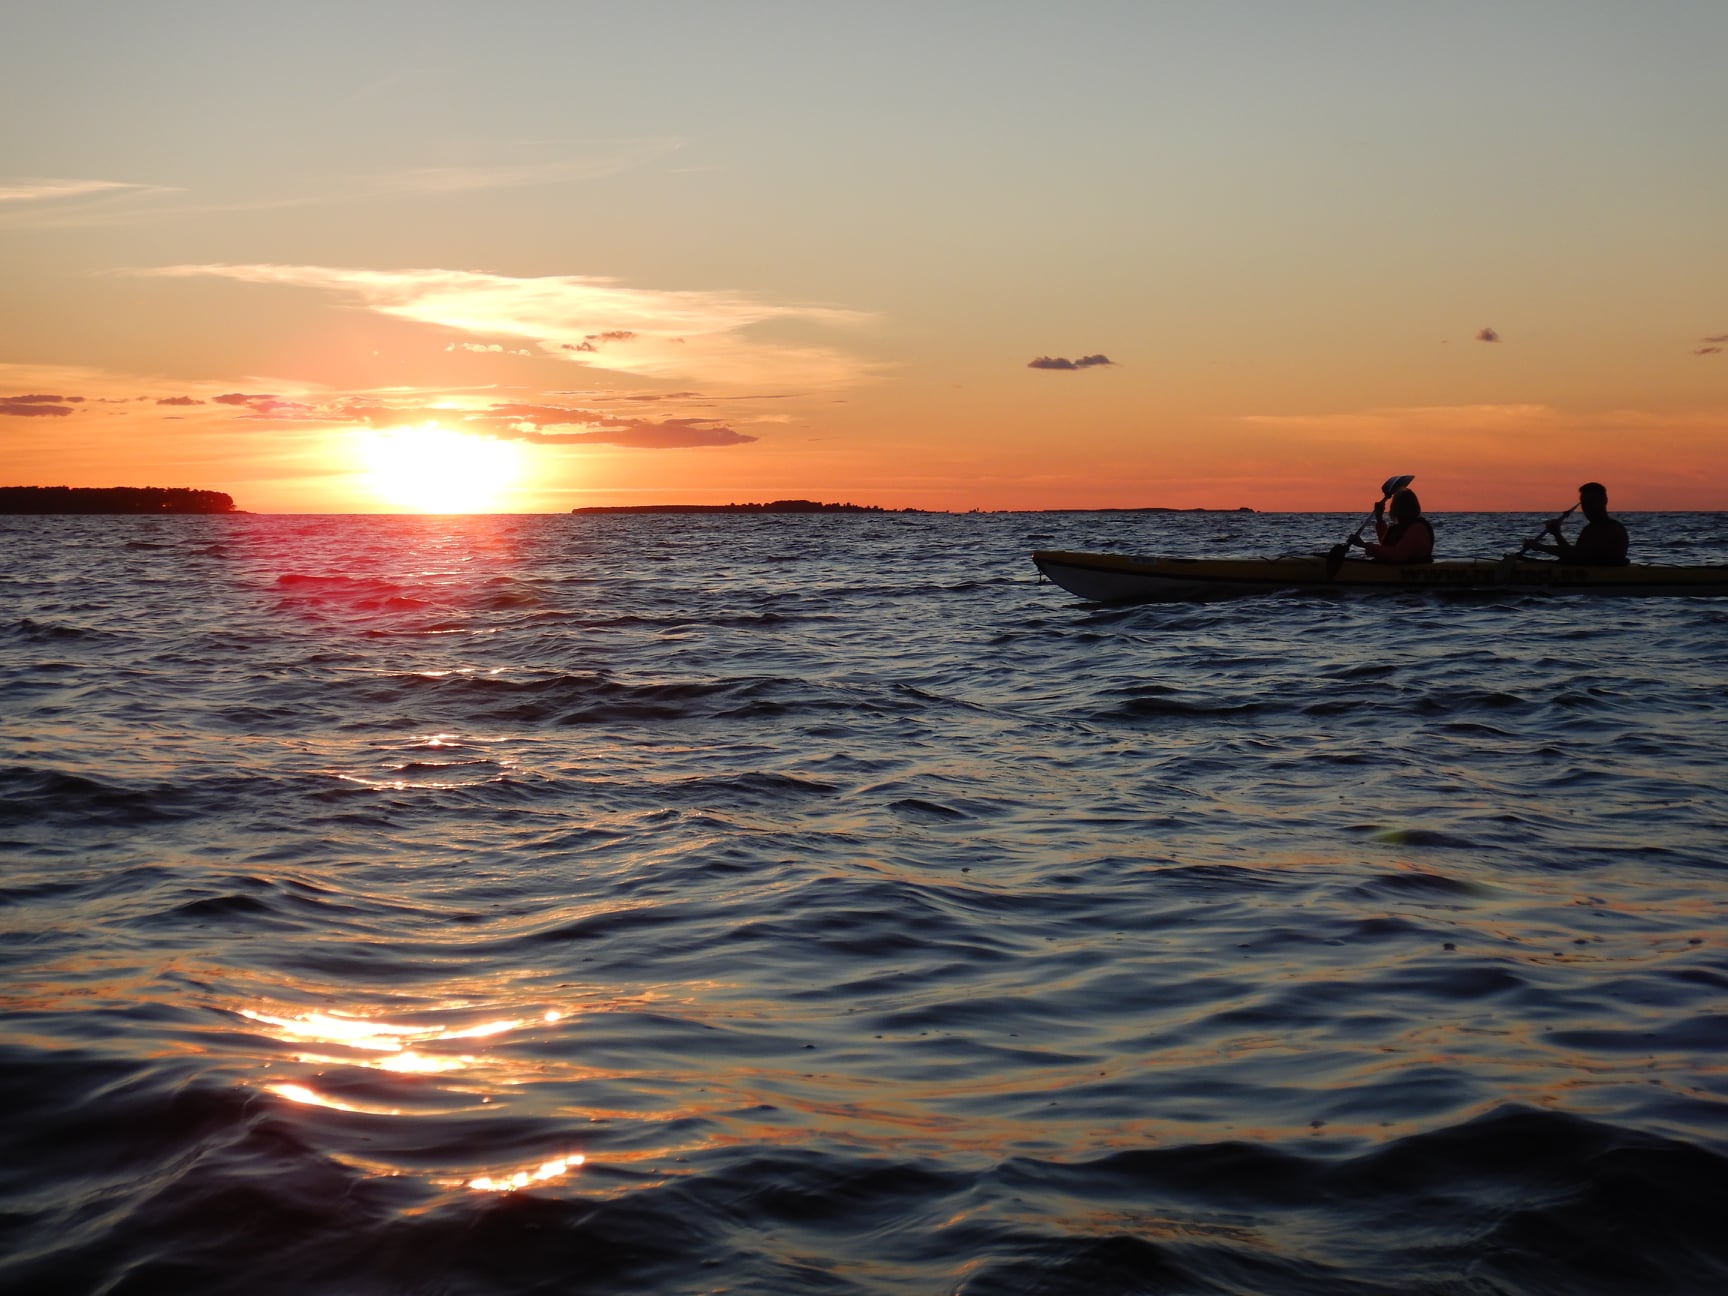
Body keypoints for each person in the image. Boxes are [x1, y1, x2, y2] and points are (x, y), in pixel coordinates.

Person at [1531, 482, 1629, 565]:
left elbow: (1577, 556)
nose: (1586, 507)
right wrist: (1557, 534)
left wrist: (1540, 547)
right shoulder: (1589, 529)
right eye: (1584, 503)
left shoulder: (1613, 530)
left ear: (1604, 501)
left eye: (1591, 502)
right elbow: (1572, 556)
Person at [1354, 487, 1434, 563]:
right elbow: (1387, 545)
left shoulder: (1418, 529)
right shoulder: (1403, 527)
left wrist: (1364, 545)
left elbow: (1397, 554)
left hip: (1407, 571)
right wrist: (1379, 518)